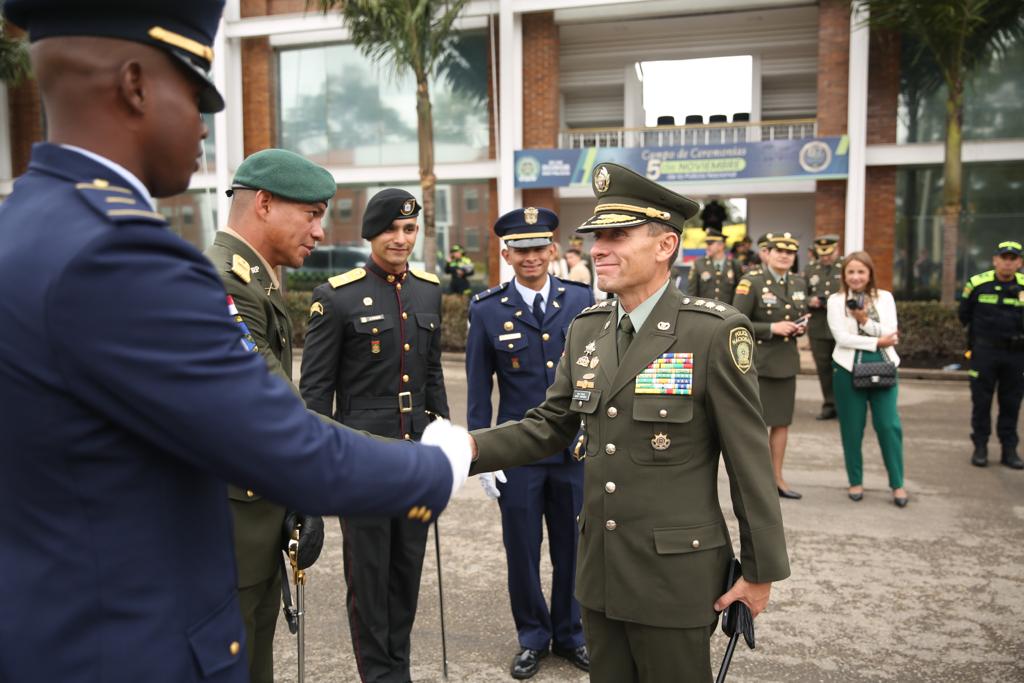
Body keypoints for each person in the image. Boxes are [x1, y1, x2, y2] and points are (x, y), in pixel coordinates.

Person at [0, 3, 471, 682]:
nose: (203, 126)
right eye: (196, 95)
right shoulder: (121, 254)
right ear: (134, 86)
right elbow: (286, 445)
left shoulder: (25, 224)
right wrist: (438, 468)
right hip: (128, 648)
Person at [468, 163, 790, 683]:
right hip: (598, 574)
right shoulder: (588, 330)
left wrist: (761, 572)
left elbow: (749, 463)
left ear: (665, 246)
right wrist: (467, 448)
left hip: (674, 578)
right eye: (596, 237)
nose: (598, 249)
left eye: (617, 235)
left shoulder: (711, 332)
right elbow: (551, 425)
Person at [300, 188, 449, 683]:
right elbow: (316, 396)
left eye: (410, 229)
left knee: (406, 573)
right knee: (369, 579)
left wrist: (445, 445)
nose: (402, 239)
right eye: (391, 229)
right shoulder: (336, 297)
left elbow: (431, 379)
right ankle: (380, 677)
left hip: (416, 456)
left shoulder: (428, 290)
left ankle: (398, 669)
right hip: (360, 459)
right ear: (371, 233)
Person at [204, 148, 335, 682]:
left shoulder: (254, 279)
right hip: (225, 532)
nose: (320, 231)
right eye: (312, 214)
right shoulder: (225, 283)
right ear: (263, 203)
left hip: (253, 520)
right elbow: (276, 406)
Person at [467, 207, 593, 679]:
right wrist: (482, 456)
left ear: (553, 250)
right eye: (521, 249)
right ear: (506, 254)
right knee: (522, 550)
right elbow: (480, 391)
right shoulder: (487, 309)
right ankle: (532, 638)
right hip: (518, 456)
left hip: (574, 451)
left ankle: (571, 633)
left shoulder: (581, 300)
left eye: (539, 247)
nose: (531, 257)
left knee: (572, 550)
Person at [827, 252, 908, 505]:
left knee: (888, 426)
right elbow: (842, 338)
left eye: (861, 271)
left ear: (870, 273)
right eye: (850, 272)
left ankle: (897, 484)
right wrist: (877, 340)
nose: (856, 277)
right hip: (847, 368)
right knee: (851, 428)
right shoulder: (836, 300)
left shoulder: (884, 298)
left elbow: (891, 334)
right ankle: (855, 482)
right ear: (844, 275)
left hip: (883, 367)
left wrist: (865, 321)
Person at [733, 233, 808, 499]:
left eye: (790, 252)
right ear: (767, 253)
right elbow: (736, 323)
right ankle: (753, 482)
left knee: (781, 423)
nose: (785, 256)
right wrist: (772, 328)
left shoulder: (799, 282)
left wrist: (798, 327)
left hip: (785, 362)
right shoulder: (751, 282)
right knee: (755, 426)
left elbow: (795, 315)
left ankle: (777, 478)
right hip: (758, 363)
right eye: (779, 251)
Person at [959, 240, 1024, 469]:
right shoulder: (977, 284)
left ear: (1019, 262)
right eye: (1003, 258)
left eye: (1012, 259)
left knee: (1011, 402)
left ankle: (1009, 450)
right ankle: (980, 446)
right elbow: (963, 314)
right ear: (995, 260)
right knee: (981, 401)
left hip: (1016, 355)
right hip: (984, 352)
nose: (1007, 263)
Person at [804, 234, 843, 420]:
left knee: (842, 367)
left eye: (829, 253)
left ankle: (844, 405)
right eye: (822, 254)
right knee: (823, 368)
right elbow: (799, 294)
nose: (825, 257)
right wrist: (809, 300)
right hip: (819, 325)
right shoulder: (811, 268)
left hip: (842, 325)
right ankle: (829, 404)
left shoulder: (845, 267)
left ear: (837, 249)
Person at [687, 228, 743, 302]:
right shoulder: (699, 263)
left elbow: (739, 293)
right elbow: (692, 293)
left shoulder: (734, 264)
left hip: (728, 312)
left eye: (710, 244)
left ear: (721, 245)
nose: (707, 247)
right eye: (707, 244)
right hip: (705, 311)